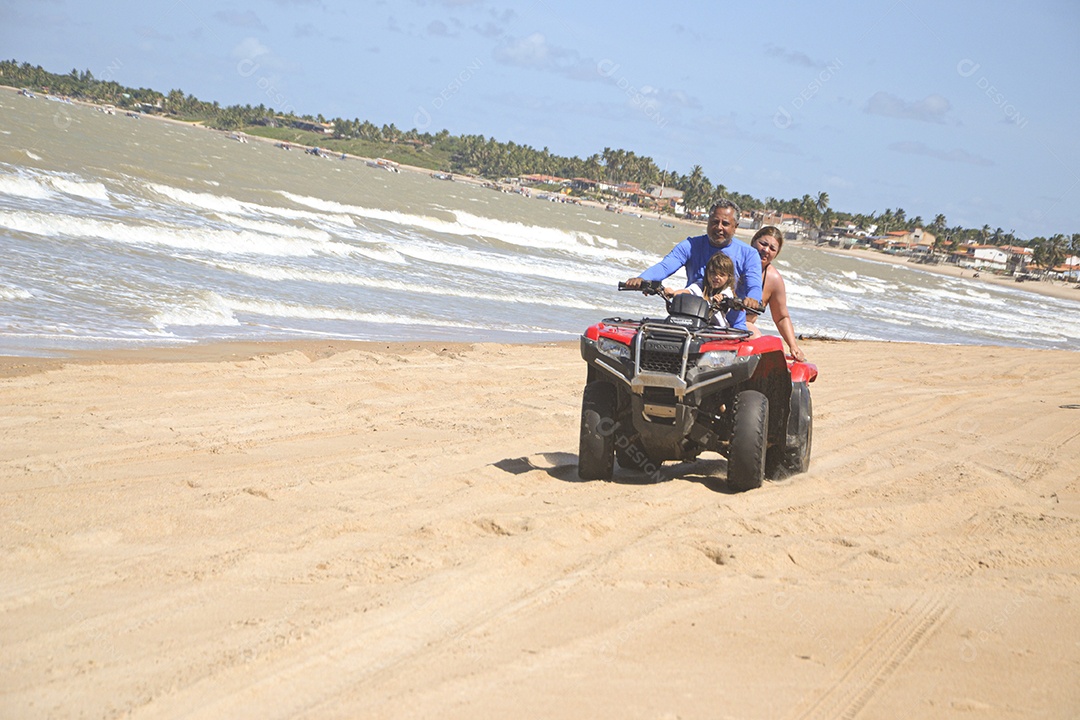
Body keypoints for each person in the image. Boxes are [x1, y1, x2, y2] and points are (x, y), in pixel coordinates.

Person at [623, 199, 762, 329]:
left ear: (735, 227)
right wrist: (642, 279)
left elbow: (754, 285)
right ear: (708, 222)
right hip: (691, 318)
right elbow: (665, 266)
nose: (719, 227)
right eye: (714, 222)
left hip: (731, 327)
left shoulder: (749, 254)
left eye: (725, 224)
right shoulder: (690, 245)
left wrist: (753, 299)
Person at [748, 226, 806, 361]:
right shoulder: (732, 263)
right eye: (763, 244)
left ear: (776, 254)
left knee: (757, 337)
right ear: (753, 241)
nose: (765, 250)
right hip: (719, 322)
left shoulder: (773, 279)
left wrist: (793, 346)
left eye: (772, 248)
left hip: (744, 328)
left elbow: (781, 317)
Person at [668, 251, 737, 327]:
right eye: (713, 272)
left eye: (722, 275)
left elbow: (726, 296)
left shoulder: (727, 290)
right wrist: (673, 293)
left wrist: (721, 298)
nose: (716, 277)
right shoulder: (701, 285)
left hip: (718, 329)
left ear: (729, 277)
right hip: (697, 325)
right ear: (706, 272)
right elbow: (688, 291)